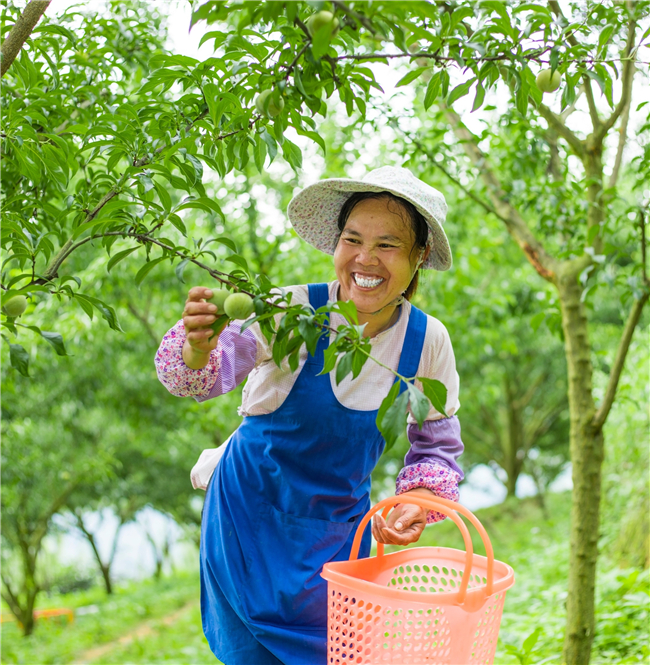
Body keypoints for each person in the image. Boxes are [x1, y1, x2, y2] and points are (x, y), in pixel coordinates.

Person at [155, 166, 464, 665]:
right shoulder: (293, 312)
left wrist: (417, 501)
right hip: (247, 523)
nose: (365, 258)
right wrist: (196, 346)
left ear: (419, 255)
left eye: (388, 244)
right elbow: (205, 375)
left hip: (338, 535)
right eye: (353, 239)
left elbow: (436, 448)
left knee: (338, 653)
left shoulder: (426, 342)